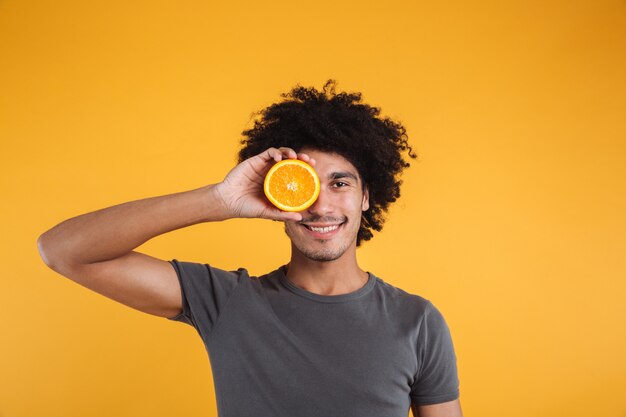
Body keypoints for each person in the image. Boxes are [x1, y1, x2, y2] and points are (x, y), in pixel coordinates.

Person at [37, 79, 463, 417]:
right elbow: (62, 250)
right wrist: (219, 200)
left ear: (367, 196)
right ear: (278, 196)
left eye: (339, 183)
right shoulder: (226, 302)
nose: (322, 206)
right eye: (304, 186)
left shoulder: (419, 322)